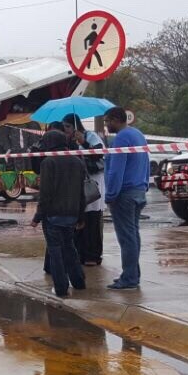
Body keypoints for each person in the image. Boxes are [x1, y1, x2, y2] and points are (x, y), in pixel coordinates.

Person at [31, 129, 86, 298]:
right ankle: (79, 282)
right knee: (70, 248)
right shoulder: (78, 162)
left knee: (55, 251)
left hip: (53, 215)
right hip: (72, 214)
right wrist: (81, 215)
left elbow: (45, 193)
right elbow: (81, 192)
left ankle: (61, 288)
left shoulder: (49, 163)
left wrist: (37, 217)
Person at [103, 107, 149, 290]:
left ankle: (129, 278)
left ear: (115, 119)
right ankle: (132, 274)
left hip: (124, 194)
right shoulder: (137, 134)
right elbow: (145, 161)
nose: (106, 125)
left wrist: (111, 194)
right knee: (133, 235)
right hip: (138, 191)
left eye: (107, 121)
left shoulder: (121, 138)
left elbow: (116, 170)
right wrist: (144, 184)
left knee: (126, 238)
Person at [64, 113, 106, 265]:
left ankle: (93, 255)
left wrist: (84, 142)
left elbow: (99, 154)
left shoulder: (90, 136)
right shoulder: (69, 141)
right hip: (77, 183)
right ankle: (80, 253)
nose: (66, 130)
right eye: (64, 127)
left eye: (68, 126)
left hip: (92, 181)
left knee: (92, 219)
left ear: (75, 126)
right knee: (80, 219)